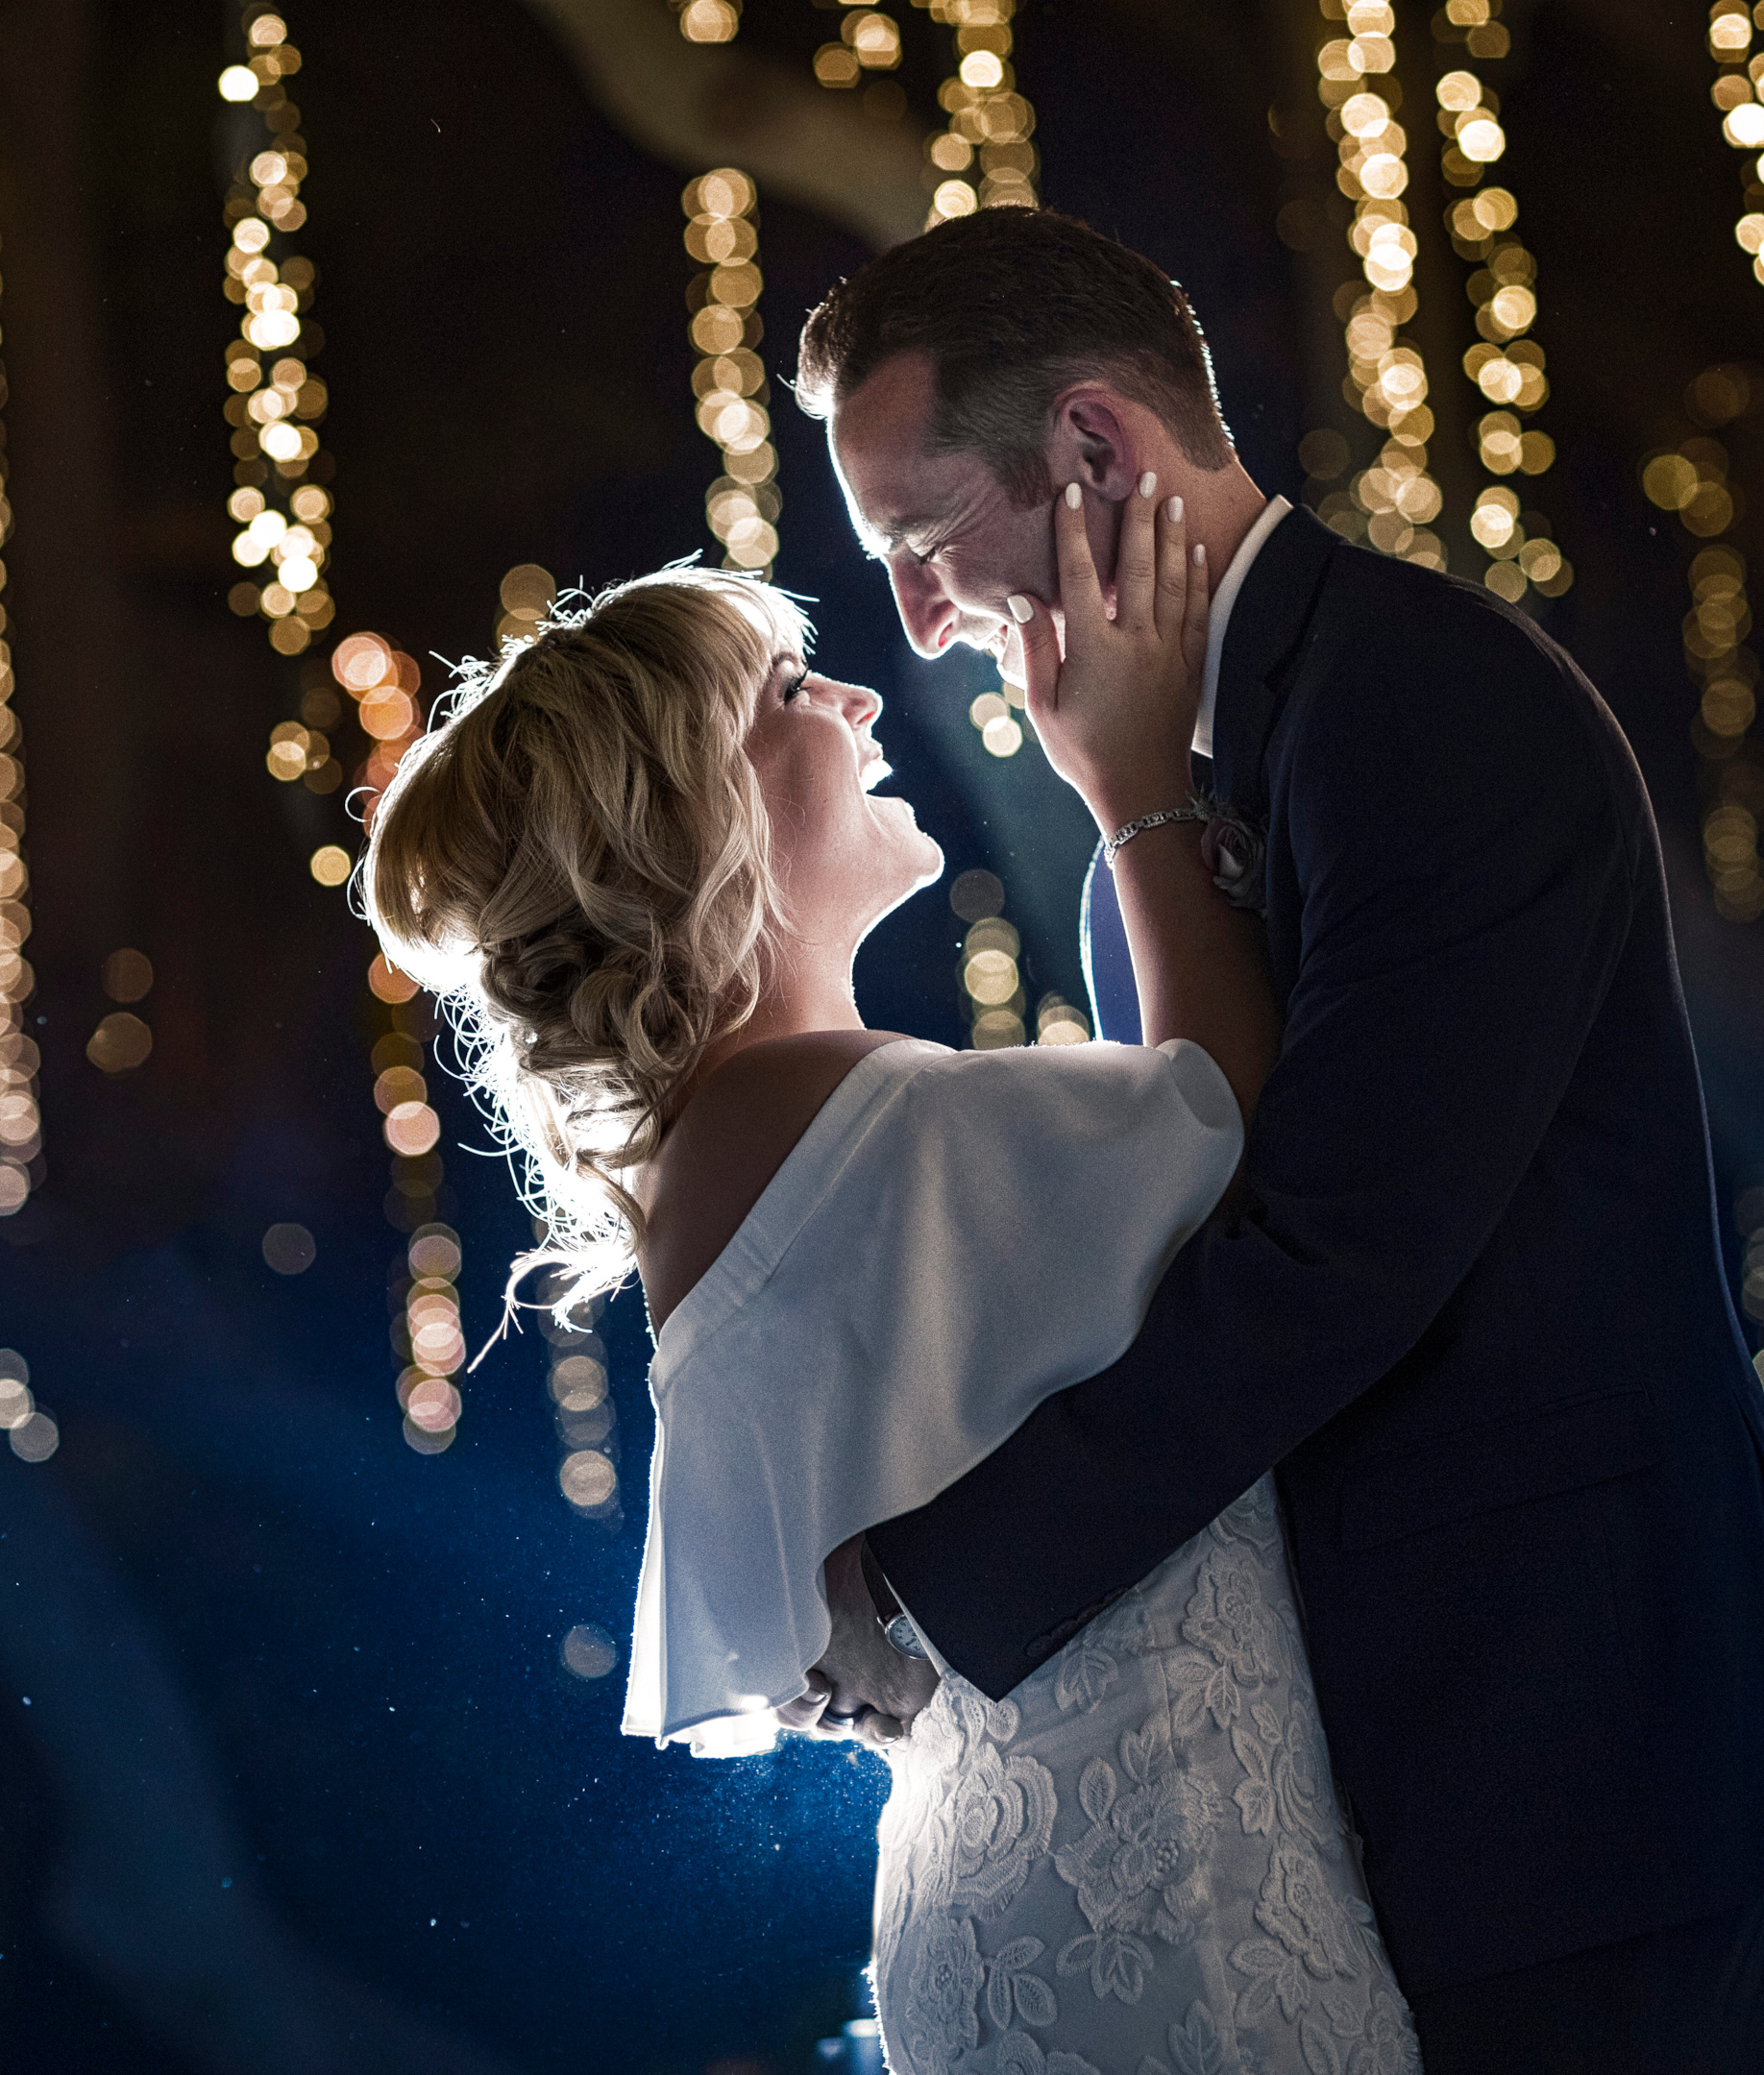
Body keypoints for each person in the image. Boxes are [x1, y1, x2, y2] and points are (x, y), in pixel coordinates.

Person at [793, 206, 1764, 2071]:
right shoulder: (1154, 780)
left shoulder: (1423, 702)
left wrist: (945, 1579)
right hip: (1393, 1756)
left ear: (1095, 447)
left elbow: (1341, 1254)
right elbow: (1179, 1226)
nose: (915, 617)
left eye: (919, 538)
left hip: (1579, 1742)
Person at [361, 480, 1419, 2072]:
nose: (854, 695)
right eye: (789, 693)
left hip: (1025, 1912)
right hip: (1181, 1921)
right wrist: (1128, 776)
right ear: (698, 812)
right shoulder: (858, 1114)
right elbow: (1253, 1137)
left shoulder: (725, 1163)